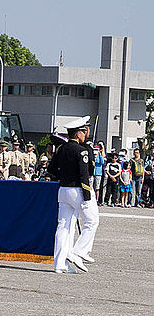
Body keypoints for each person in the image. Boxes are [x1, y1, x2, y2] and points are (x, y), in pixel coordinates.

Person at [46, 116, 98, 273]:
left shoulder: (62, 149)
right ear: (78, 133)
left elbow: (51, 169)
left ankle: (60, 264)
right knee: (92, 220)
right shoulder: (81, 150)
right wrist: (87, 196)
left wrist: (64, 176)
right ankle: (78, 252)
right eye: (83, 131)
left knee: (64, 226)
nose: (84, 134)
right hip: (78, 190)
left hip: (63, 190)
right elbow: (84, 174)